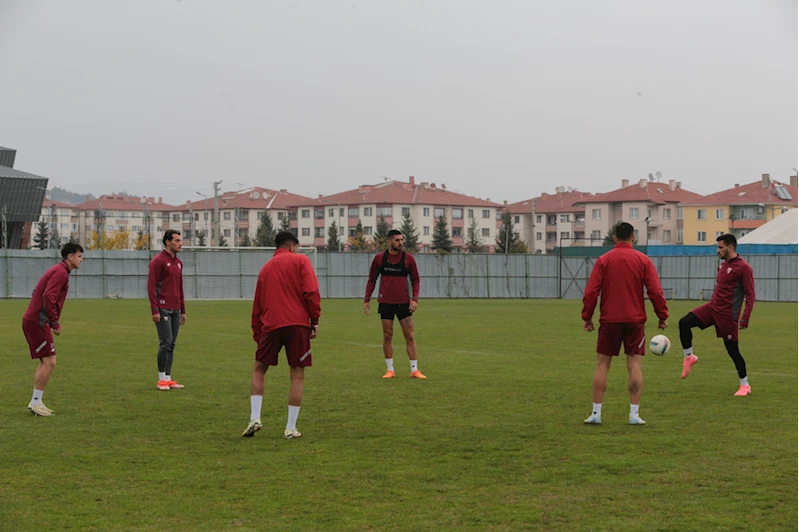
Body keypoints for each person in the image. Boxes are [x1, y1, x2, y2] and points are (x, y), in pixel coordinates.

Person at [581, 222, 668, 425]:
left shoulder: (604, 260)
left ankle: (596, 413)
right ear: (633, 238)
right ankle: (634, 415)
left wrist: (587, 317)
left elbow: (591, 291)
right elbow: (655, 291)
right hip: (635, 320)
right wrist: (662, 315)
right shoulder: (643, 260)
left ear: (614, 238)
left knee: (602, 365)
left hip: (609, 320)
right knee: (634, 365)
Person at [243, 231, 322, 439]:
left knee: (259, 369)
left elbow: (257, 303)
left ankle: (255, 418)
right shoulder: (301, 261)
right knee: (297, 374)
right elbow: (311, 291)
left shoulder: (266, 268)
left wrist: (257, 331)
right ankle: (290, 428)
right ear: (293, 246)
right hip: (297, 324)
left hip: (271, 324)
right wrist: (314, 320)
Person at [678, 234, 755, 396]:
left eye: (720, 247)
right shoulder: (722, 265)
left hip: (727, 316)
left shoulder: (743, 268)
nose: (717, 250)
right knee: (684, 323)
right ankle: (689, 357)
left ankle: (745, 385)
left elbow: (750, 295)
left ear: (730, 247)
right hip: (712, 309)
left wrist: (745, 318)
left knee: (733, 351)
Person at [22, 242, 84, 416]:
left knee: (47, 361)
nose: (81, 259)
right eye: (79, 256)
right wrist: (54, 322)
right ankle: (35, 402)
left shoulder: (59, 270)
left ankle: (37, 401)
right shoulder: (61, 272)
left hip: (37, 320)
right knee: (50, 361)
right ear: (70, 257)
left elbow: (40, 291)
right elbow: (48, 295)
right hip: (37, 321)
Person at [364, 229, 424, 379]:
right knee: (387, 336)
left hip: (404, 303)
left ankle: (414, 370)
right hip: (385, 303)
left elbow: (415, 280)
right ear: (389, 241)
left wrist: (415, 299)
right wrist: (367, 299)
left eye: (402, 240)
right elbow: (372, 279)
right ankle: (390, 370)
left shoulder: (408, 259)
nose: (401, 243)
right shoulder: (379, 259)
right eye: (397, 240)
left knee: (409, 335)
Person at [148, 229, 186, 391]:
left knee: (172, 344)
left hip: (175, 308)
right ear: (167, 242)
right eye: (177, 240)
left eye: (180, 240)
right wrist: (155, 310)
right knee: (166, 342)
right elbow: (151, 287)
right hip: (162, 308)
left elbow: (180, 287)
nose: (180, 243)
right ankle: (161, 379)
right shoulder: (158, 261)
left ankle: (169, 378)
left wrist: (183, 309)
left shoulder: (178, 263)